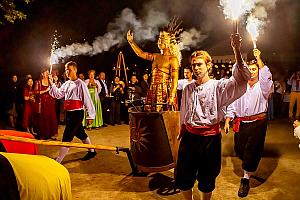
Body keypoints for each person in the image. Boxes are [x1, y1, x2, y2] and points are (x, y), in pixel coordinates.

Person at [175, 34, 251, 200]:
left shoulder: (219, 87)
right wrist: (182, 128)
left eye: (200, 64)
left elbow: (242, 78)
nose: (196, 68)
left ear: (208, 65)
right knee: (183, 175)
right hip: (189, 138)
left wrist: (236, 49)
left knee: (207, 177)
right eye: (193, 65)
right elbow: (184, 110)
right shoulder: (188, 88)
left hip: (210, 140)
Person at [224, 48, 273, 197]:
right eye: (249, 69)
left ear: (258, 71)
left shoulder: (264, 87)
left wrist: (259, 59)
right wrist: (228, 119)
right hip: (241, 123)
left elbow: (266, 77)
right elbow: (232, 103)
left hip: (258, 123)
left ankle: (245, 179)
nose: (252, 72)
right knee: (240, 150)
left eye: (254, 69)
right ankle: (247, 166)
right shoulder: (240, 86)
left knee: (252, 151)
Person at [49, 61, 97, 163]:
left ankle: (58, 160)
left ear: (75, 70)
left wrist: (90, 116)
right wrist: (52, 83)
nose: (67, 72)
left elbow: (87, 100)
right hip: (69, 114)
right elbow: (58, 95)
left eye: (69, 69)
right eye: (66, 69)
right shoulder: (66, 84)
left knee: (67, 136)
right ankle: (92, 151)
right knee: (80, 133)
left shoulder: (81, 84)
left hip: (77, 113)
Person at [127, 22, 181, 111]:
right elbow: (140, 54)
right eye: (160, 37)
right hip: (153, 89)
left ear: (170, 40)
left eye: (163, 37)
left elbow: (175, 80)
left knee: (163, 116)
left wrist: (171, 96)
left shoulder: (173, 59)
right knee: (150, 114)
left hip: (164, 91)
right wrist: (131, 41)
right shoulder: (156, 56)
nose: (160, 40)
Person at [34, 68, 57, 140]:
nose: (47, 74)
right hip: (43, 102)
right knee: (43, 118)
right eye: (45, 73)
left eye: (48, 72)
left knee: (51, 117)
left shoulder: (50, 81)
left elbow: (55, 90)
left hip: (50, 102)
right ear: (42, 74)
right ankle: (43, 135)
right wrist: (45, 90)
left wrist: (55, 81)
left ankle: (51, 134)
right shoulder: (38, 82)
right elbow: (36, 92)